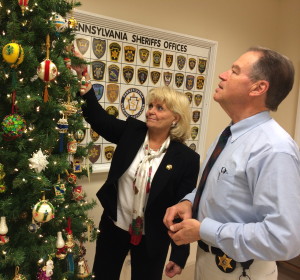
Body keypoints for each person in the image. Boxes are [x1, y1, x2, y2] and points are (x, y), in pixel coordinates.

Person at [163, 46, 300, 280]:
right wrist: (190, 202)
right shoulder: (229, 134)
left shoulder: (274, 149)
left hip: (242, 270)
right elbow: (219, 187)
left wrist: (204, 230)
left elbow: (284, 239)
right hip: (208, 262)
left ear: (258, 88)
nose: (223, 75)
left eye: (235, 71)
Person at [78, 75, 200, 279]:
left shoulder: (186, 159)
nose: (151, 111)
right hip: (114, 227)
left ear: (175, 118)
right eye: (151, 105)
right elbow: (98, 119)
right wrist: (84, 82)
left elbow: (183, 208)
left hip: (152, 237)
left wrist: (179, 256)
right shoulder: (132, 132)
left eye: (160, 108)